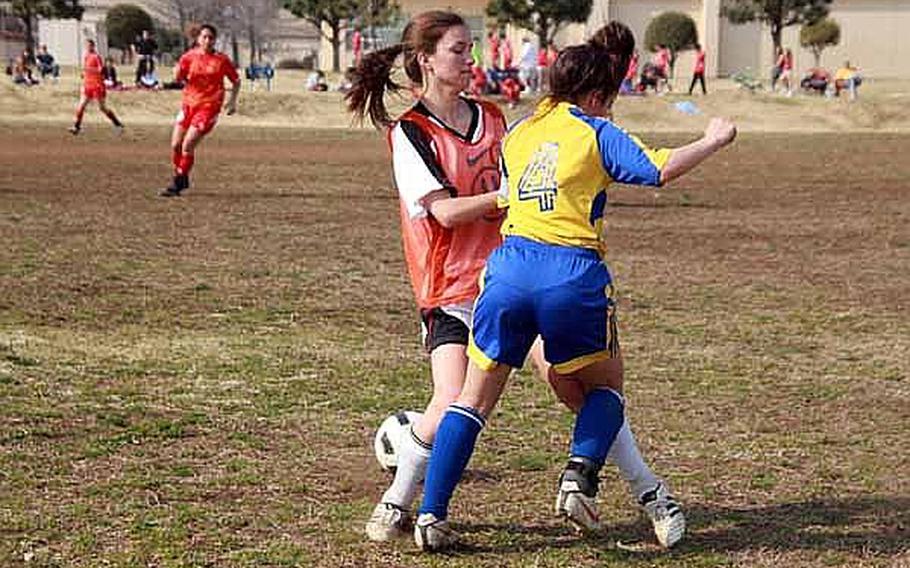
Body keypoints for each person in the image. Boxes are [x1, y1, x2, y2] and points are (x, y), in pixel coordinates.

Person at [347, 10, 688, 551]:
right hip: (453, 288)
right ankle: (398, 499)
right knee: (452, 401)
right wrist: (508, 198)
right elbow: (446, 213)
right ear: (426, 60)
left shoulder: (494, 117)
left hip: (512, 276)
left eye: (470, 49)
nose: (470, 59)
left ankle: (650, 495)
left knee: (579, 389)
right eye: (459, 50)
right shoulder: (410, 133)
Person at [412, 21, 736, 553]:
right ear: (592, 96)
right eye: (606, 101)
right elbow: (657, 170)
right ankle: (577, 478)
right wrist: (712, 140)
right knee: (606, 390)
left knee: (470, 401)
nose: (609, 111)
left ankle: (430, 514)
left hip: (507, 270)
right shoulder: (594, 130)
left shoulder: (517, 132)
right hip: (571, 275)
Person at [160, 24, 240, 197]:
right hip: (188, 105)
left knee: (188, 144)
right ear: (198, 39)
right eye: (204, 37)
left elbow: (236, 81)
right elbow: (179, 78)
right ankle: (182, 175)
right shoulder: (189, 57)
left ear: (215, 40)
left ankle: (178, 181)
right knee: (175, 145)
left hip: (208, 108)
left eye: (211, 37)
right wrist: (176, 73)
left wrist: (232, 102)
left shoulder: (221, 60)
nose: (207, 40)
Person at [69, 39, 124, 135]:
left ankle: (117, 124)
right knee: (81, 105)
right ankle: (76, 126)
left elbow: (100, 69)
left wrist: (90, 70)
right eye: (86, 46)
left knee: (102, 108)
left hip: (97, 85)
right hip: (87, 85)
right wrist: (84, 74)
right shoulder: (86, 56)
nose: (87, 47)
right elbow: (86, 69)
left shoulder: (96, 56)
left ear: (93, 46)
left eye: (89, 46)